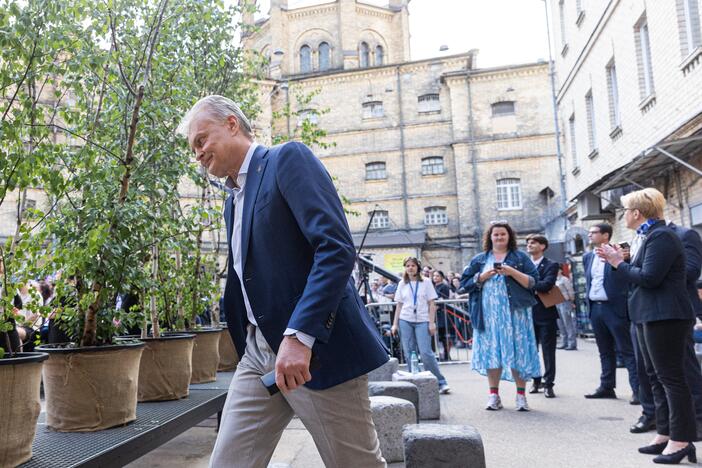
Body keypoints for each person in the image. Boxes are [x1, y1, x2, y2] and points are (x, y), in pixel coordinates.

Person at [179, 95, 388, 467]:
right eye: (194, 147)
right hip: (258, 352)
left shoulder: (286, 159)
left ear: (231, 124)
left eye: (201, 140)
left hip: (313, 351)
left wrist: (299, 336)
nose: (197, 154)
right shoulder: (232, 198)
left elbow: (335, 248)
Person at [599, 188, 696, 464]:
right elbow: (644, 271)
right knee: (654, 376)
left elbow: (651, 278)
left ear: (637, 213)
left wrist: (619, 263)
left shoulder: (661, 236)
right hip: (648, 314)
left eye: (625, 211)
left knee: (672, 379)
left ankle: (682, 439)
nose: (623, 215)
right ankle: (664, 433)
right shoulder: (647, 236)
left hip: (665, 316)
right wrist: (622, 260)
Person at [631, 221, 702, 437]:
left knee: (681, 370)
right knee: (650, 371)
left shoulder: (681, 234)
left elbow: (690, 271)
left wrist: (651, 267)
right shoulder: (640, 237)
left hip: (670, 312)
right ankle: (655, 418)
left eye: (628, 210)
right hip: (644, 310)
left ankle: (696, 421)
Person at [460, 222, 540, 411]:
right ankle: (494, 395)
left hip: (516, 314)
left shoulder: (520, 257)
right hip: (489, 315)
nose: (499, 238)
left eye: (503, 234)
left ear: (509, 236)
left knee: (519, 353)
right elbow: (464, 284)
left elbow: (533, 281)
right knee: (492, 354)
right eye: (496, 235)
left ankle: (521, 396)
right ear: (490, 237)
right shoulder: (480, 259)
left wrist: (511, 272)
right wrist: (482, 277)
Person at [583, 223, 639, 403]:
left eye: (594, 232)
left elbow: (626, 275)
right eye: (589, 232)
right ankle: (607, 386)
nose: (590, 235)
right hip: (595, 308)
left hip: (614, 307)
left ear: (605, 235)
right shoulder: (588, 257)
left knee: (627, 350)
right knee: (604, 350)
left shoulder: (619, 251)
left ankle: (638, 390)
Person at [390, 257, 450, 394]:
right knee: (410, 351)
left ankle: (440, 381)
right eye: (408, 266)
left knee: (425, 352)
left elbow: (432, 304)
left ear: (418, 267)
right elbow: (399, 305)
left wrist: (431, 322)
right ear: (405, 268)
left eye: (413, 265)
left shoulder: (426, 282)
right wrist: (395, 324)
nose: (410, 268)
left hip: (422, 320)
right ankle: (414, 382)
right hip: (405, 319)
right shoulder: (402, 284)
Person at [526, 234, 559, 399]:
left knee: (548, 351)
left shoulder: (551, 265)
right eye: (528, 243)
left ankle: (549, 384)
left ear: (543, 246)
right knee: (532, 350)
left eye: (533, 242)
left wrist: (527, 284)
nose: (529, 245)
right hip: (528, 313)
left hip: (546, 313)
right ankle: (536, 380)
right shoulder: (523, 265)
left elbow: (547, 285)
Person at [555, 265, 578, 350]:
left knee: (568, 323)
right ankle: (564, 342)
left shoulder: (564, 279)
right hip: (556, 303)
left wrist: (572, 301)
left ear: (560, 270)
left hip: (565, 302)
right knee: (560, 323)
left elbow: (570, 290)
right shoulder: (554, 280)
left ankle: (572, 343)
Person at [432, 270, 452, 361]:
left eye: (437, 276)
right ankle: (438, 354)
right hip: (434, 314)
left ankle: (447, 354)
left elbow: (444, 299)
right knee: (438, 336)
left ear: (441, 277)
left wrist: (437, 306)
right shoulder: (433, 286)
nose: (435, 277)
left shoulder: (444, 287)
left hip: (442, 313)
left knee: (444, 335)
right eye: (434, 276)